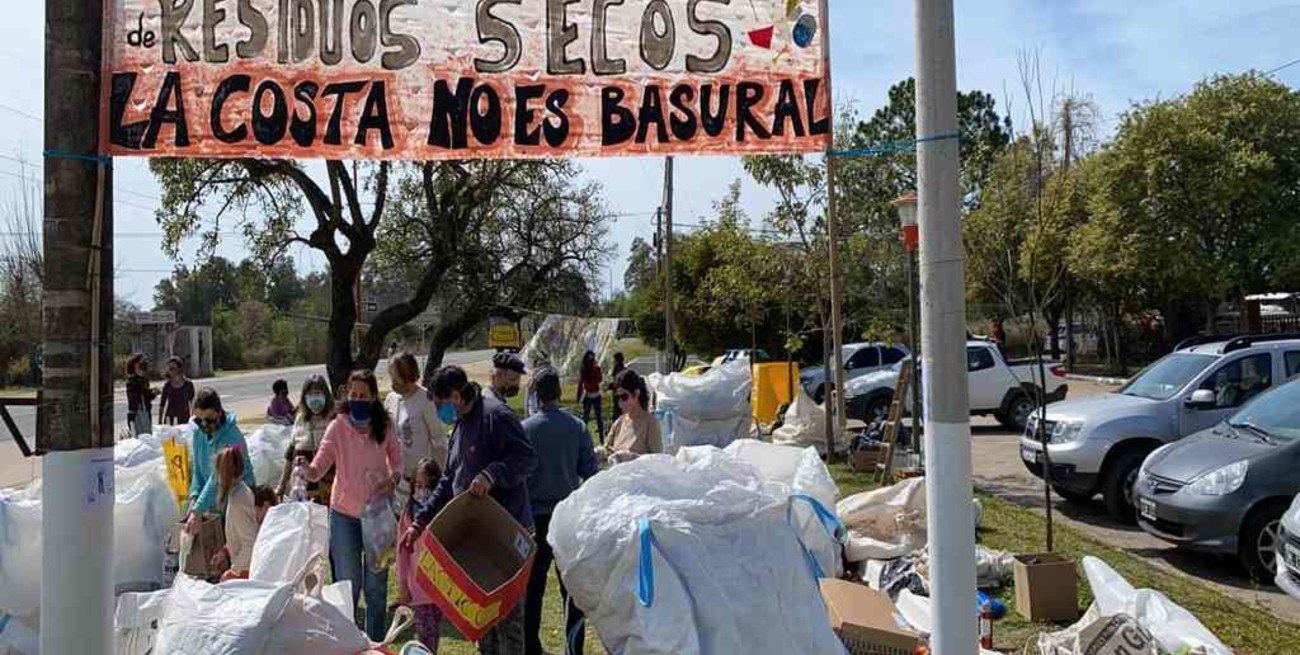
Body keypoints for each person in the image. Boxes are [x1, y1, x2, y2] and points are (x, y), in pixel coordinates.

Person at [401, 365, 538, 655]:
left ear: (454, 395)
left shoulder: (496, 416)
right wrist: (419, 522)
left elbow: (526, 458)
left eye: (439, 403)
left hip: (505, 536)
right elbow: (449, 480)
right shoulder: (460, 425)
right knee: (482, 618)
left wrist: (493, 473)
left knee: (508, 620)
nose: (438, 410)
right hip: (474, 540)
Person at [298, 369, 402, 642]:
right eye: (353, 395)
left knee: (377, 585)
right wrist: (307, 471)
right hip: (344, 515)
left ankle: (376, 642)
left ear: (373, 397)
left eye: (363, 395)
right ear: (346, 395)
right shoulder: (338, 425)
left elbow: (397, 460)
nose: (357, 399)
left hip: (378, 515)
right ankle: (349, 643)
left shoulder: (385, 425)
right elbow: (320, 465)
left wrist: (393, 479)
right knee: (348, 585)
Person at [523, 367, 597, 655]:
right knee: (571, 589)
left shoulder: (526, 429)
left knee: (533, 588)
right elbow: (589, 472)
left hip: (535, 517)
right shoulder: (577, 427)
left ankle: (531, 646)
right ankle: (573, 647)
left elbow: (521, 475)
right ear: (559, 393)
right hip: (568, 516)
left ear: (537, 395)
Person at [385, 352, 449, 504]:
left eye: (395, 378)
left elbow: (439, 439)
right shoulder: (391, 399)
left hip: (421, 483)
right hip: (398, 481)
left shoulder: (426, 400)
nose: (392, 383)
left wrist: (437, 477)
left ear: (407, 376)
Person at [186, 388, 255, 528]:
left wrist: (198, 509)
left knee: (238, 544)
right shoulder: (198, 435)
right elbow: (198, 471)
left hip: (237, 499)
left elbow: (218, 478)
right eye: (199, 420)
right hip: (215, 501)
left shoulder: (233, 438)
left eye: (209, 419)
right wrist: (194, 496)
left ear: (219, 413)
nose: (204, 425)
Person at [396, 457, 444, 653]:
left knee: (434, 632)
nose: (423, 491)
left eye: (429, 486)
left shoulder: (443, 513)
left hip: (440, 588)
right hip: (418, 587)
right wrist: (403, 586)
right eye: (419, 485)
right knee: (426, 633)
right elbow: (402, 555)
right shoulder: (409, 516)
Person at [210, 446, 278, 581]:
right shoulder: (240, 492)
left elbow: (249, 544)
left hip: (246, 572)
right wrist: (225, 552)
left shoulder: (238, 501)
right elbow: (242, 534)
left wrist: (233, 572)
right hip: (245, 568)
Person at [276, 375, 335, 503]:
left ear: (325, 395)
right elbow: (290, 454)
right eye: (310, 394)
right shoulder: (300, 419)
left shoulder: (334, 419)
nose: (314, 398)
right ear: (305, 397)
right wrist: (281, 486)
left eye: (318, 393)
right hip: (304, 491)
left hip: (330, 491)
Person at [598, 369, 662, 466]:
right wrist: (599, 453)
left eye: (624, 397)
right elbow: (607, 449)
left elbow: (658, 462)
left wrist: (633, 458)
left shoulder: (650, 423)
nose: (620, 403)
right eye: (617, 397)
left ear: (636, 394)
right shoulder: (619, 422)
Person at [125, 353, 157, 437]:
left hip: (146, 411)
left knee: (147, 436)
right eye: (141, 363)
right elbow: (139, 395)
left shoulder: (144, 380)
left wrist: (152, 393)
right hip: (137, 413)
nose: (143, 366)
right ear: (135, 365)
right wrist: (152, 393)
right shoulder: (132, 381)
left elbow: (146, 396)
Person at [157, 356, 195, 426]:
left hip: (184, 419)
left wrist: (193, 420)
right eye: (169, 368)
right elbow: (162, 404)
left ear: (179, 368)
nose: (170, 371)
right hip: (169, 419)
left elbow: (193, 403)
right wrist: (160, 421)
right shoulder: (167, 385)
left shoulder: (188, 384)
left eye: (173, 368)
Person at [577, 351, 604, 443]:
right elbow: (598, 380)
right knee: (591, 417)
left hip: (592, 395)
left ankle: (599, 438)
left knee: (590, 418)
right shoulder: (588, 370)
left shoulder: (593, 369)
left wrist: (578, 396)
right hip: (591, 395)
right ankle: (600, 439)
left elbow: (599, 379)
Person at [606, 352, 626, 422]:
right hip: (617, 394)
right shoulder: (618, 369)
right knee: (618, 412)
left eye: (614, 359)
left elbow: (618, 384)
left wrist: (609, 386)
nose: (613, 361)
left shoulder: (620, 370)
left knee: (618, 412)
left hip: (619, 394)